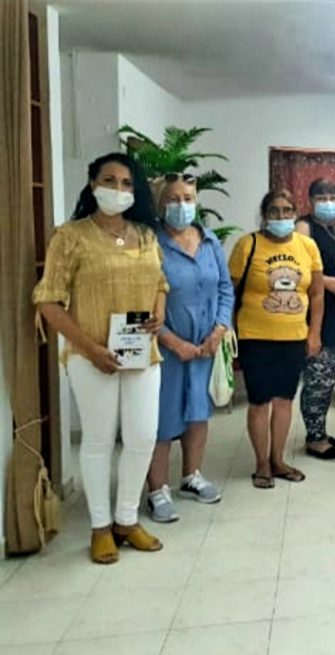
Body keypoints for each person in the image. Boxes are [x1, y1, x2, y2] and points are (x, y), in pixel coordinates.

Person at [34, 153, 167, 564]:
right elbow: (48, 301)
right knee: (98, 439)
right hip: (90, 354)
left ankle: (127, 519)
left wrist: (159, 313)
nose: (118, 190)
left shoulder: (145, 235)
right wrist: (90, 349)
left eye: (127, 183)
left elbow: (160, 282)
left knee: (143, 436)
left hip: (141, 353)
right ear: (93, 185)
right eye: (110, 181)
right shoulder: (70, 236)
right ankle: (100, 527)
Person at [146, 173, 232, 523]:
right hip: (165, 349)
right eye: (173, 198)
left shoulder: (210, 242)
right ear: (160, 203)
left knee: (199, 412)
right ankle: (157, 489)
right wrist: (174, 342)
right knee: (162, 419)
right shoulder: (150, 244)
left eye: (188, 198)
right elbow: (143, 300)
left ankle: (191, 476)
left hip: (205, 348)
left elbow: (225, 288)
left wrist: (219, 330)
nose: (182, 205)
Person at [229, 190, 324, 489]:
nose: (281, 217)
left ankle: (278, 460)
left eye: (287, 211)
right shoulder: (248, 245)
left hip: (294, 338)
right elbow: (229, 292)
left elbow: (317, 294)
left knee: (284, 400)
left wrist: (314, 333)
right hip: (255, 337)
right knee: (259, 402)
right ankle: (261, 464)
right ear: (264, 214)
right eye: (274, 211)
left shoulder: (307, 246)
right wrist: (228, 332)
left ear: (295, 213)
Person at [297, 178, 335, 461]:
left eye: (333, 196)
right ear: (310, 200)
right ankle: (315, 439)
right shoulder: (305, 227)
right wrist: (327, 282)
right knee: (318, 380)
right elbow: (295, 269)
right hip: (318, 316)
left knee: (327, 378)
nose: (329, 202)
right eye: (321, 197)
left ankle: (318, 430)